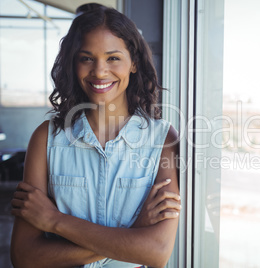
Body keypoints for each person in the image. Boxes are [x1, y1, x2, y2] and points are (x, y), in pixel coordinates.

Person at [10, 6, 181, 268]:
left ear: (133, 63)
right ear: (73, 63)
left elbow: (156, 252)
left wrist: (54, 220)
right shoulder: (46, 137)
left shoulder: (163, 140)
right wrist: (133, 232)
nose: (99, 72)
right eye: (87, 58)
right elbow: (24, 257)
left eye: (113, 58)